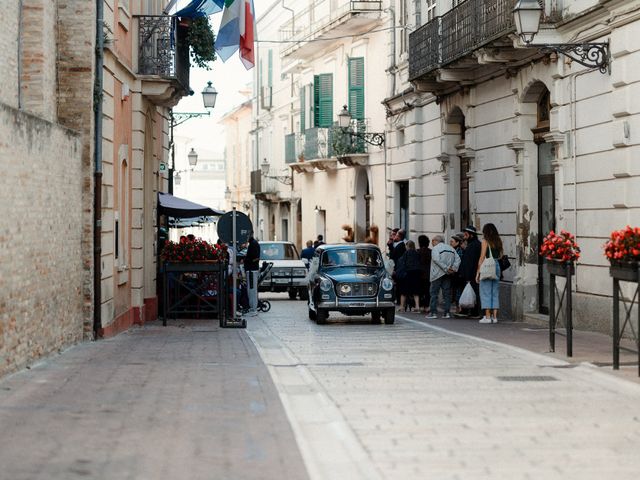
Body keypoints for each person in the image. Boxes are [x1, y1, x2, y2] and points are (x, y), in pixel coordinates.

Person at [427, 235, 461, 319]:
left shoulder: (435, 248)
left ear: (435, 241)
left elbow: (436, 259)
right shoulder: (451, 248)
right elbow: (458, 259)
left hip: (437, 274)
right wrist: (453, 268)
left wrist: (446, 268)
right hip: (447, 274)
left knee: (434, 293)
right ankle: (447, 313)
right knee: (447, 294)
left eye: (432, 241)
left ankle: (433, 313)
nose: (432, 243)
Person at [476, 223, 503, 324]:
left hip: (487, 266)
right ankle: (495, 317)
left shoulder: (485, 241)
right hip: (496, 265)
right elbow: (500, 255)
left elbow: (482, 257)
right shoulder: (499, 241)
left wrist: (478, 271)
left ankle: (487, 317)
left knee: (485, 292)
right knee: (494, 292)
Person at [456, 225, 482, 319]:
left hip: (471, 275)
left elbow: (470, 263)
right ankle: (469, 311)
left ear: (471, 235)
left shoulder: (474, 245)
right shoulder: (472, 245)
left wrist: (467, 276)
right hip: (470, 274)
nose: (464, 236)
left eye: (466, 234)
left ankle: (473, 312)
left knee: (472, 293)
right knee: (470, 293)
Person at [394, 240, 423, 312]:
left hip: (407, 274)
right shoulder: (417, 253)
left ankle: (402, 306)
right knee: (415, 292)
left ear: (407, 246)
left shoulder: (406, 253)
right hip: (416, 274)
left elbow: (402, 262)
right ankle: (417, 306)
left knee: (403, 292)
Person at [243, 232, 260, 316]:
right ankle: (252, 308)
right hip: (252, 269)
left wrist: (246, 260)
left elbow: (254, 258)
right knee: (251, 290)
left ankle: (253, 309)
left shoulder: (253, 244)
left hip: (251, 270)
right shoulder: (253, 244)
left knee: (252, 290)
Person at [449, 234, 465, 313]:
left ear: (457, 242)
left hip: (458, 274)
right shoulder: (454, 250)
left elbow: (457, 263)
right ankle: (458, 307)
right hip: (455, 274)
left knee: (458, 291)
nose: (450, 243)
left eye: (452, 242)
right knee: (456, 291)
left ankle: (459, 308)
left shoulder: (459, 251)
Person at [417, 235, 431, 313]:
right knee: (427, 291)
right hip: (428, 273)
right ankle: (427, 306)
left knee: (420, 291)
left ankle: (421, 305)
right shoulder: (430, 251)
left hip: (419, 274)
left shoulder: (418, 251)